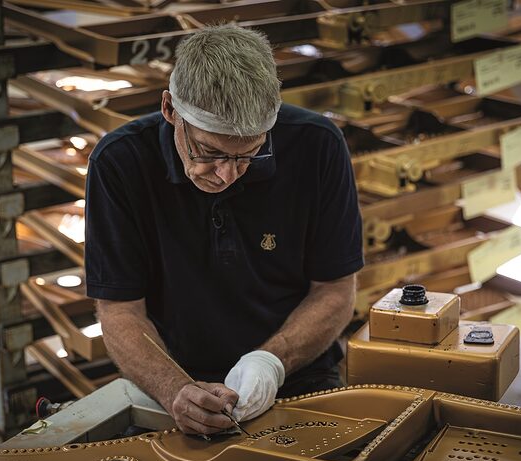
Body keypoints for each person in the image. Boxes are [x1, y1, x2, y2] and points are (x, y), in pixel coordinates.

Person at [85, 24, 363, 436]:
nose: (228, 174)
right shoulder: (120, 164)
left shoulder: (317, 145)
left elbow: (336, 290)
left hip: (296, 371)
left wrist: (270, 362)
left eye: (249, 154)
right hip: (174, 380)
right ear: (169, 110)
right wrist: (174, 388)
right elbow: (120, 310)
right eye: (209, 152)